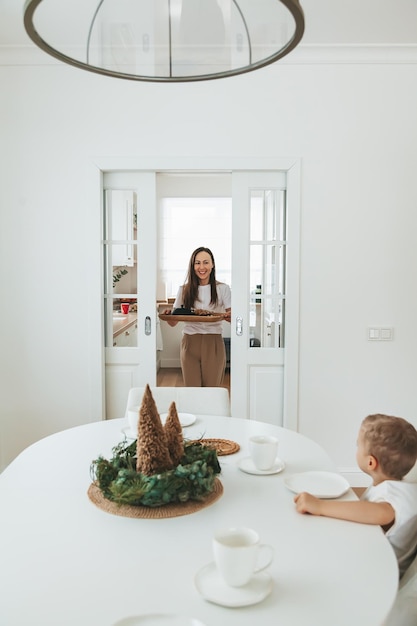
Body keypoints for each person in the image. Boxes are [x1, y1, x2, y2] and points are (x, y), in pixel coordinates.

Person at [294, 413, 417, 578]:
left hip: (378, 573)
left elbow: (381, 513)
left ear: (371, 463)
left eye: (358, 445)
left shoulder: (390, 495)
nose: (356, 447)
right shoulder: (403, 487)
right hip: (379, 561)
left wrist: (320, 506)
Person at [163, 247, 231, 387]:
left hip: (213, 342)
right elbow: (173, 323)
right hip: (190, 342)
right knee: (192, 391)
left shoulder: (222, 288)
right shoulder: (184, 289)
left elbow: (234, 317)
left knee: (212, 390)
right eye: (197, 263)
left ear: (212, 264)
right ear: (192, 266)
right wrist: (169, 316)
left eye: (206, 262)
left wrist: (228, 316)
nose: (202, 267)